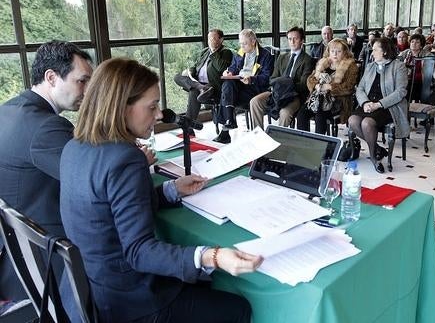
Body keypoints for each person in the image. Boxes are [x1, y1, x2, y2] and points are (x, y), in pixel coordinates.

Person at [59, 58, 263, 323]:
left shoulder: (74, 147)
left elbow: (109, 209)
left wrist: (170, 190)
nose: (158, 115)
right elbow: (139, 251)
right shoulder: (125, 158)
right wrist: (213, 255)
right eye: (152, 106)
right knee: (238, 308)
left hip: (88, 289)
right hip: (129, 302)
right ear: (122, 107)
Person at [0, 40, 92, 305]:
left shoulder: (8, 110)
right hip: (48, 263)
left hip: (13, 253)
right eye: (81, 81)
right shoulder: (46, 127)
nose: (87, 91)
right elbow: (95, 181)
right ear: (51, 77)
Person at [348, 37, 409, 173]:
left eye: (375, 50)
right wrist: (365, 103)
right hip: (368, 104)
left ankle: (374, 158)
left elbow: (400, 92)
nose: (372, 52)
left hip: (388, 107)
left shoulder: (398, 66)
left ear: (385, 52)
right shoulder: (370, 67)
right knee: (352, 121)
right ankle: (378, 149)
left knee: (366, 123)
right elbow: (360, 89)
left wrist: (379, 104)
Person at [214, 29, 273, 144]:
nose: (242, 46)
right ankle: (229, 121)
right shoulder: (240, 53)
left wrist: (251, 79)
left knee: (225, 94)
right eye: (240, 43)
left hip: (254, 88)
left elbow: (266, 78)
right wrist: (229, 73)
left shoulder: (265, 55)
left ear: (253, 41)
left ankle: (226, 129)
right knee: (228, 83)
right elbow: (233, 67)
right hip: (239, 85)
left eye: (244, 43)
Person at [249, 26, 315, 130]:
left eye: (296, 38)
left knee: (285, 112)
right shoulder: (282, 57)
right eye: (289, 39)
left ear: (302, 40)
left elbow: (303, 84)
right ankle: (258, 135)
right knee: (255, 102)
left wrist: (285, 85)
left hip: (294, 95)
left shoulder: (307, 60)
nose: (292, 41)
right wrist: (281, 85)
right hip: (276, 92)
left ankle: (278, 138)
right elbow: (272, 78)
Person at [297, 38, 358, 135]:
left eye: (338, 51)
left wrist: (329, 87)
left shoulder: (351, 66)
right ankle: (305, 141)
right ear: (328, 51)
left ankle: (320, 144)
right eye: (332, 51)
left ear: (345, 52)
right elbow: (310, 80)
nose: (335, 54)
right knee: (301, 114)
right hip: (317, 99)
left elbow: (349, 88)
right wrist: (316, 85)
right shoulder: (323, 63)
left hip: (338, 101)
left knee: (319, 116)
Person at [173, 29, 233, 122]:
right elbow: (197, 65)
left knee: (193, 91)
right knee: (177, 77)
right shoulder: (205, 51)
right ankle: (201, 87)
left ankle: (189, 126)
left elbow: (221, 68)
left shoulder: (226, 52)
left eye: (213, 38)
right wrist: (190, 71)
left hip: (213, 85)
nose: (210, 41)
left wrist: (213, 53)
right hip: (198, 82)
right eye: (209, 38)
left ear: (221, 40)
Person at [398, 33, 430, 102]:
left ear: (421, 46)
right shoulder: (405, 53)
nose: (414, 44)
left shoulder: (426, 54)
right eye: (412, 42)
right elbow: (397, 61)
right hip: (406, 79)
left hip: (420, 81)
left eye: (417, 42)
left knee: (409, 86)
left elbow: (431, 60)